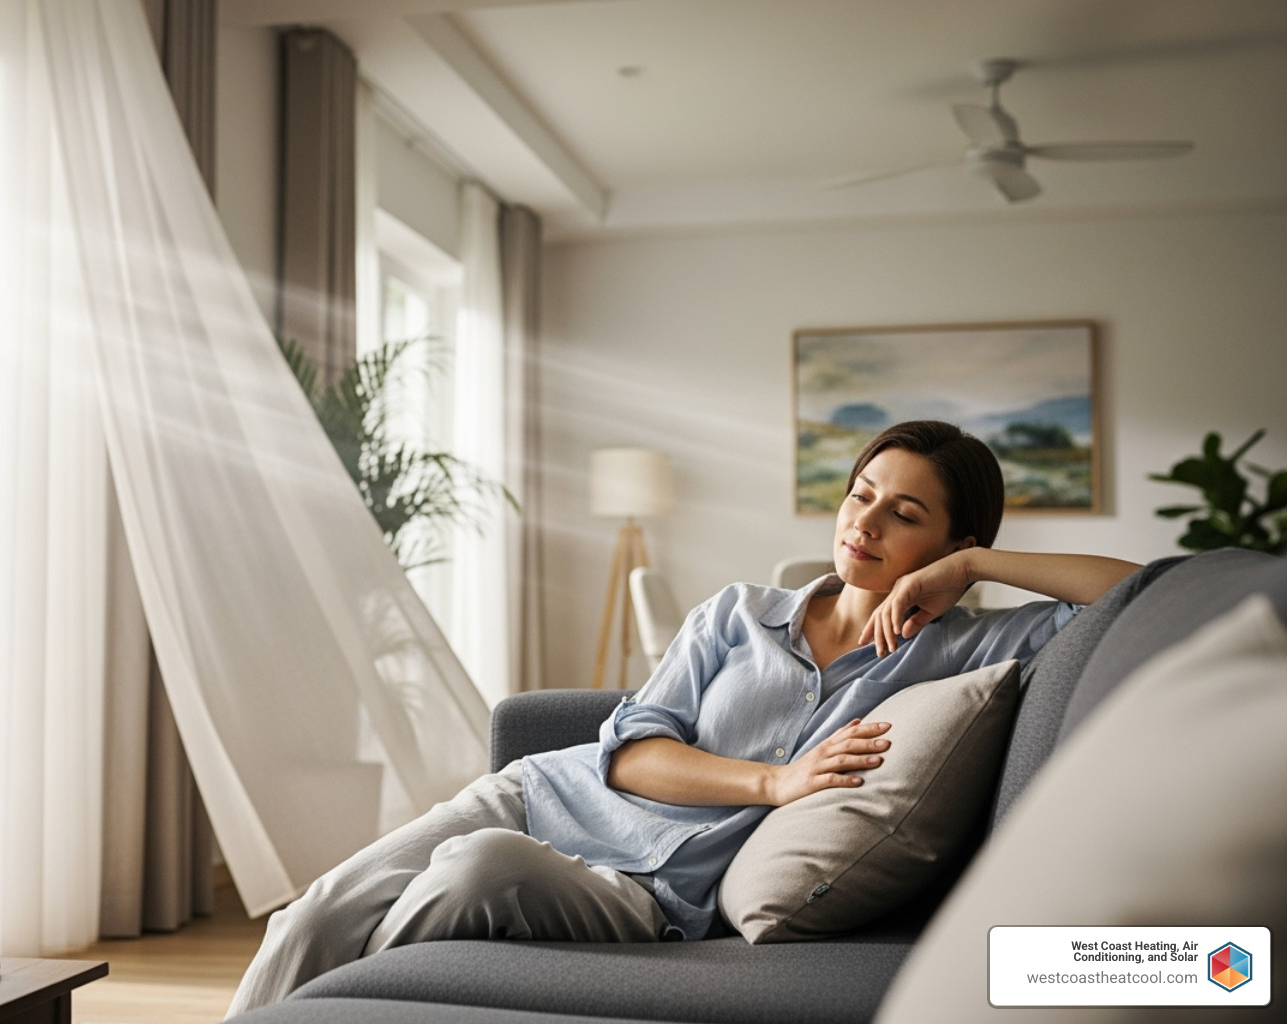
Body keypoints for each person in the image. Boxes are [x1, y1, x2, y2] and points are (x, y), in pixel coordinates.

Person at [226, 420, 1138, 1015]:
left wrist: (975, 570)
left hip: (651, 887)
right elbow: (628, 755)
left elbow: (1141, 588)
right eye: (861, 493)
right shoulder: (738, 611)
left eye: (904, 514)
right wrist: (775, 783)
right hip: (540, 797)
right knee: (309, 919)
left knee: (475, 869)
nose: (864, 523)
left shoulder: (966, 648)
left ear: (950, 540)